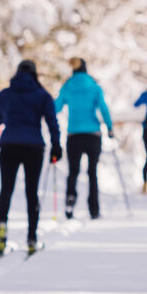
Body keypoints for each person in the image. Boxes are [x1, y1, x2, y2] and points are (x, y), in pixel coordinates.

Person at [0, 60, 61, 254]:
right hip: (33, 147)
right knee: (32, 192)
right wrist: (56, 145)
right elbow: (52, 122)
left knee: (6, 189)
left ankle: (2, 228)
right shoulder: (42, 95)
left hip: (9, 145)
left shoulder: (5, 94)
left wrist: (9, 116)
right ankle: (32, 237)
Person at [54, 57, 114, 220]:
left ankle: (70, 201)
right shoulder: (94, 86)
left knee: (73, 171)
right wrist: (109, 127)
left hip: (74, 134)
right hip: (93, 134)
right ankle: (93, 209)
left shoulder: (67, 86)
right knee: (92, 172)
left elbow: (56, 107)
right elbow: (103, 108)